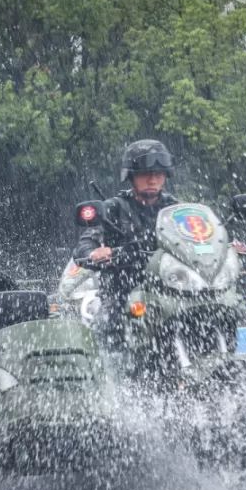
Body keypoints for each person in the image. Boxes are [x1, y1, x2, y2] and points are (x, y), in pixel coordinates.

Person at [75, 139, 179, 347]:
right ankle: (112, 372)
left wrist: (221, 246)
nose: (153, 179)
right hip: (123, 290)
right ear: (131, 176)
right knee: (109, 322)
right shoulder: (113, 208)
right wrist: (95, 252)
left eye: (158, 173)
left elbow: (194, 232)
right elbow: (86, 243)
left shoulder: (174, 208)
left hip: (168, 288)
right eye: (146, 173)